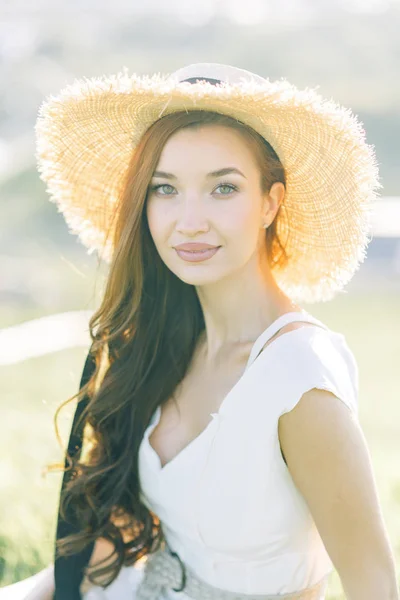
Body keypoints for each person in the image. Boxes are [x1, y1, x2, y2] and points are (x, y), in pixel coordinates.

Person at [3, 63, 399, 599]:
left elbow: (374, 583)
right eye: (165, 189)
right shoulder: (167, 341)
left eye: (223, 189)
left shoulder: (298, 381)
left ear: (270, 203)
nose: (188, 220)